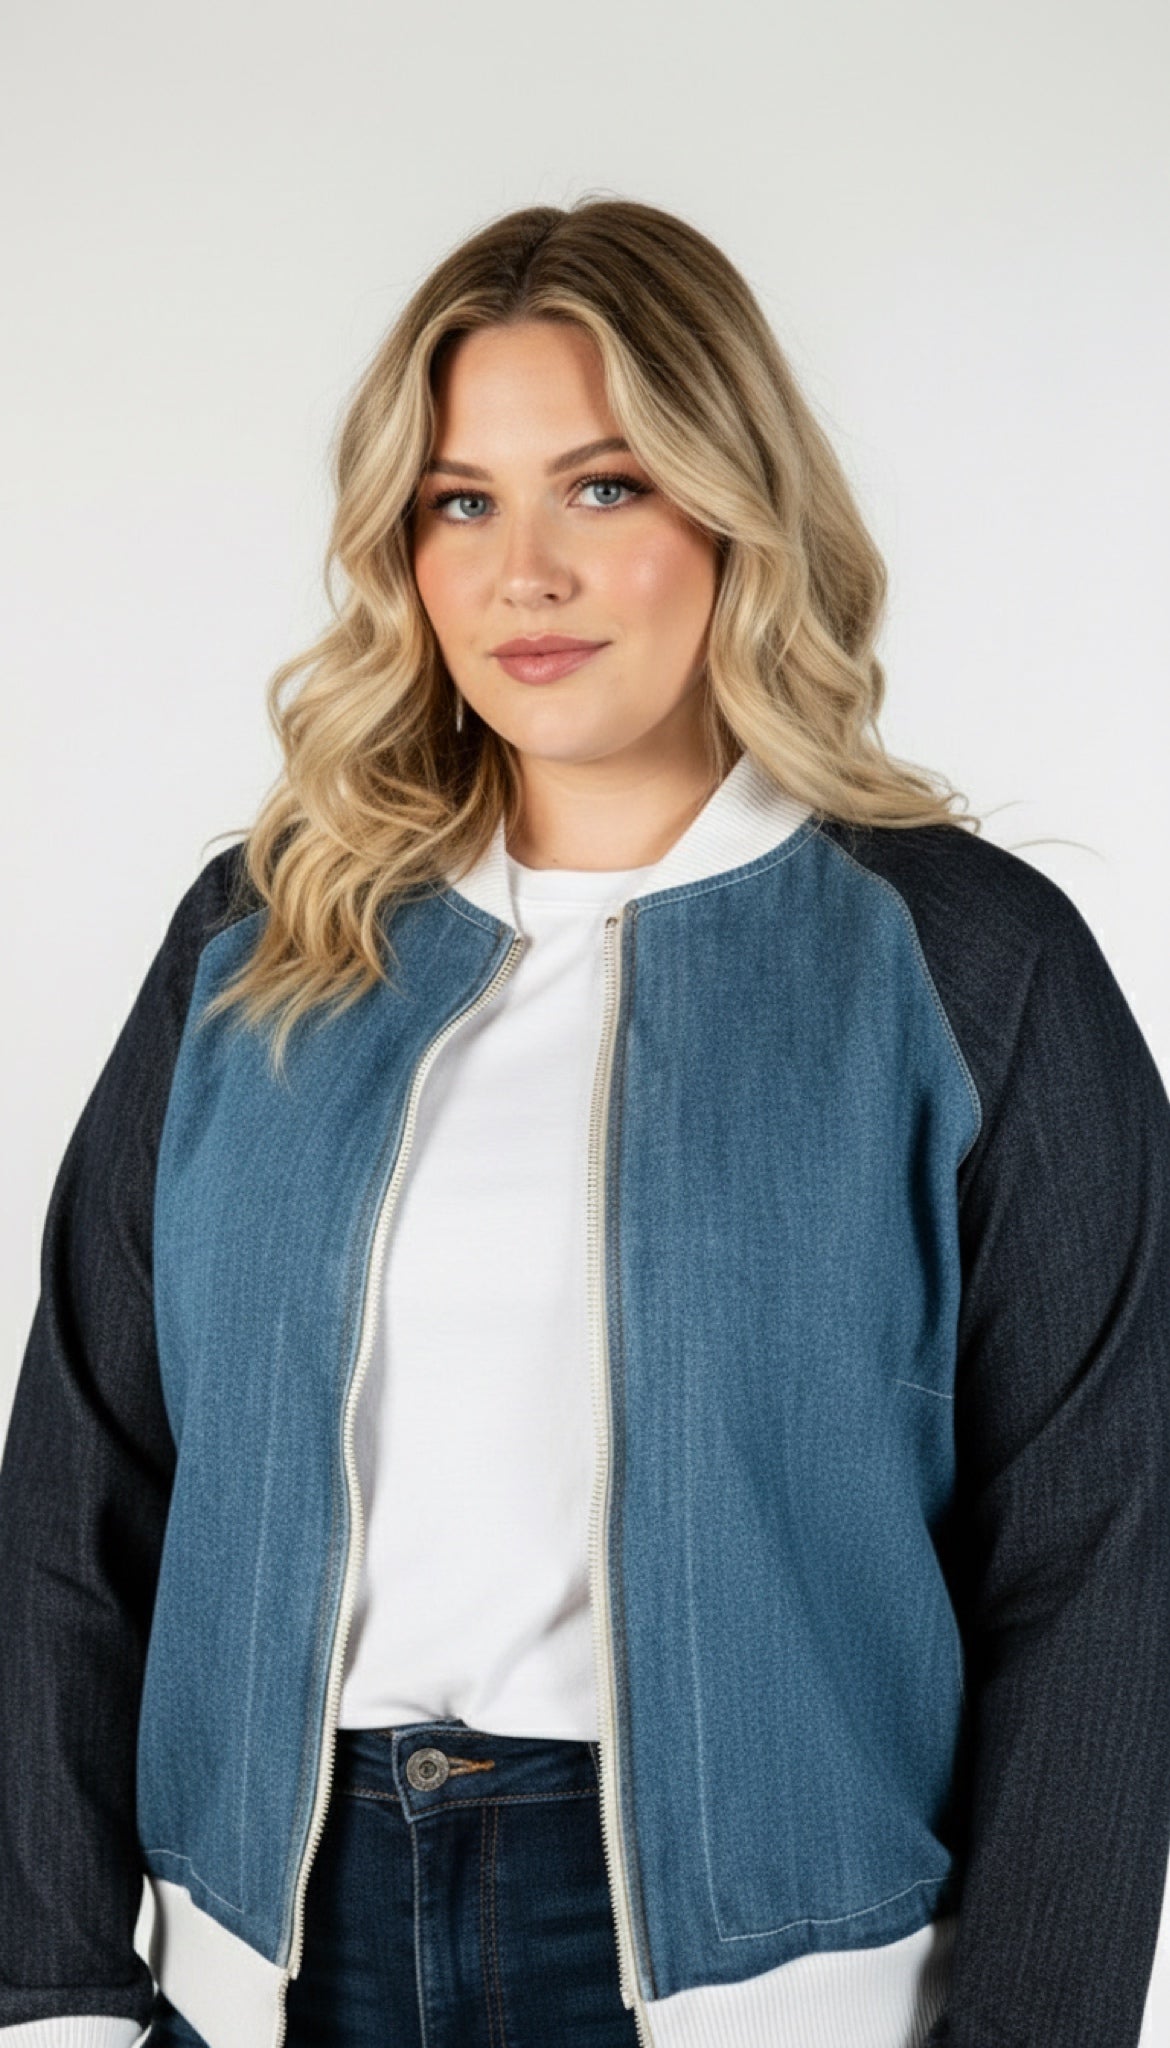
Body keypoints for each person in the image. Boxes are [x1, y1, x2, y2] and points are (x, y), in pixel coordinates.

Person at [1, 197, 1168, 2048]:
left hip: (754, 1973)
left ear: (735, 510)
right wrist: (53, 1991)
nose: (521, 573)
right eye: (460, 501)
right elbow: (82, 1479)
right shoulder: (262, 934)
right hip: (275, 1951)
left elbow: (1101, 1561)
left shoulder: (964, 964)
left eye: (603, 487)